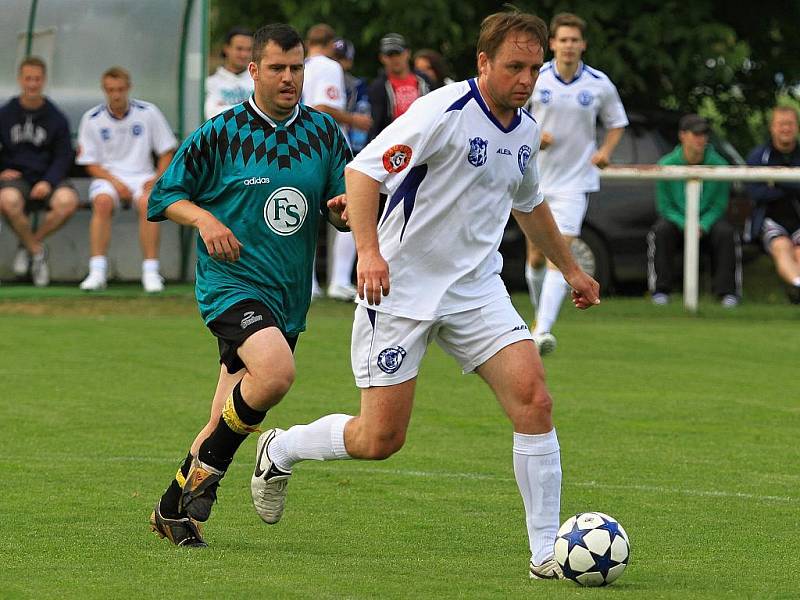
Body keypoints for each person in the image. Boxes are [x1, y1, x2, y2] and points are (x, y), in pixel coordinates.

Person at [249, 10, 599, 581]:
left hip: (477, 291)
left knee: (534, 400)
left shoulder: (527, 130)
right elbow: (363, 173)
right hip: (401, 292)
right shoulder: (443, 111)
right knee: (379, 439)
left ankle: (544, 555)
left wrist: (570, 271)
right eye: (515, 66)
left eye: (534, 69)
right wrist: (369, 252)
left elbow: (530, 204)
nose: (527, 79)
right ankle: (282, 449)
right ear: (483, 62)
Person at [146, 23, 351, 547]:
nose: (289, 78)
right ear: (253, 70)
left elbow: (342, 204)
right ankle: (213, 469)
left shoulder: (324, 133)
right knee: (277, 373)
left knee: (223, 415)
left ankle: (173, 509)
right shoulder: (222, 132)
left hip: (287, 293)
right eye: (278, 68)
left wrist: (345, 213)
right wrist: (205, 221)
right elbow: (165, 195)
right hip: (231, 284)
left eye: (297, 68)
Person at [524, 12, 628, 355]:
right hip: (534, 179)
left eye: (574, 40)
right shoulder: (535, 78)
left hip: (575, 182)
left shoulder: (598, 83)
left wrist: (605, 151)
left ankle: (543, 331)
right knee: (536, 257)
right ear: (552, 44)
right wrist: (534, 135)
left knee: (560, 251)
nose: (569, 46)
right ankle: (539, 320)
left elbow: (616, 123)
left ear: (583, 45)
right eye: (563, 40)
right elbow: (511, 113)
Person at [76, 66, 177, 292]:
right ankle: (97, 271)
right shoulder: (92, 118)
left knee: (147, 203)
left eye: (120, 89)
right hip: (108, 178)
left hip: (143, 176)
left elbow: (166, 151)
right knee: (102, 202)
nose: (116, 95)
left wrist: (158, 179)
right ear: (104, 90)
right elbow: (90, 163)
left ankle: (151, 272)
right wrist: (115, 182)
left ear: (129, 88)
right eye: (111, 90)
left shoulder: (148, 112)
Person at [303, 24, 372, 301]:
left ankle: (308, 284)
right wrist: (354, 120)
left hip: (298, 143)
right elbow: (322, 108)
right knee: (348, 206)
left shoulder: (299, 65)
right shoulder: (329, 67)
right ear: (332, 44)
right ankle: (339, 280)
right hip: (325, 144)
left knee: (305, 214)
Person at [0, 56, 79, 286]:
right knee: (7, 200)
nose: (32, 84)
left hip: (48, 177)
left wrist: (48, 181)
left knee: (67, 201)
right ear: (20, 80)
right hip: (17, 179)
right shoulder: (5, 114)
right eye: (28, 79)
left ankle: (29, 246)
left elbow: (64, 156)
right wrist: (2, 170)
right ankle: (37, 251)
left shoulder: (56, 117)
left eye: (37, 79)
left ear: (43, 81)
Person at [648, 114, 741, 306]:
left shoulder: (720, 165)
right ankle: (661, 292)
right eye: (696, 133)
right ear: (682, 135)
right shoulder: (665, 165)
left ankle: (727, 293)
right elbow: (664, 206)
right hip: (677, 222)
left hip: (707, 222)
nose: (701, 138)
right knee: (661, 231)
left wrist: (702, 225)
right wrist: (686, 224)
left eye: (704, 134)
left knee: (726, 233)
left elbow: (719, 205)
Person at [746, 106, 800, 304]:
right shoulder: (758, 156)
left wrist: (775, 182)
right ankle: (797, 285)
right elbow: (754, 192)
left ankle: (797, 288)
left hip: (798, 221)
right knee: (781, 246)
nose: (786, 129)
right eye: (781, 124)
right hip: (770, 221)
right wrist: (791, 184)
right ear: (772, 128)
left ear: (797, 127)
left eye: (790, 124)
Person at [367, 32, 431, 141]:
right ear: (382, 58)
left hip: (424, 139)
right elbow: (376, 124)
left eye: (398, 53)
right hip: (393, 143)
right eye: (390, 55)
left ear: (407, 53)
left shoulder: (424, 81)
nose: (395, 59)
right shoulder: (378, 86)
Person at [204, 27, 254, 119]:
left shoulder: (259, 81)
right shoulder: (210, 83)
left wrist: (224, 109)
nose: (244, 54)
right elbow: (212, 117)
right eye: (239, 49)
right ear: (226, 48)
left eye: (249, 49)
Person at [333, 38, 371, 155]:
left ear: (349, 62)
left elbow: (362, 121)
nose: (337, 62)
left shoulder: (357, 86)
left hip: (346, 142)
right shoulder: (314, 79)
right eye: (334, 58)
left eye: (341, 59)